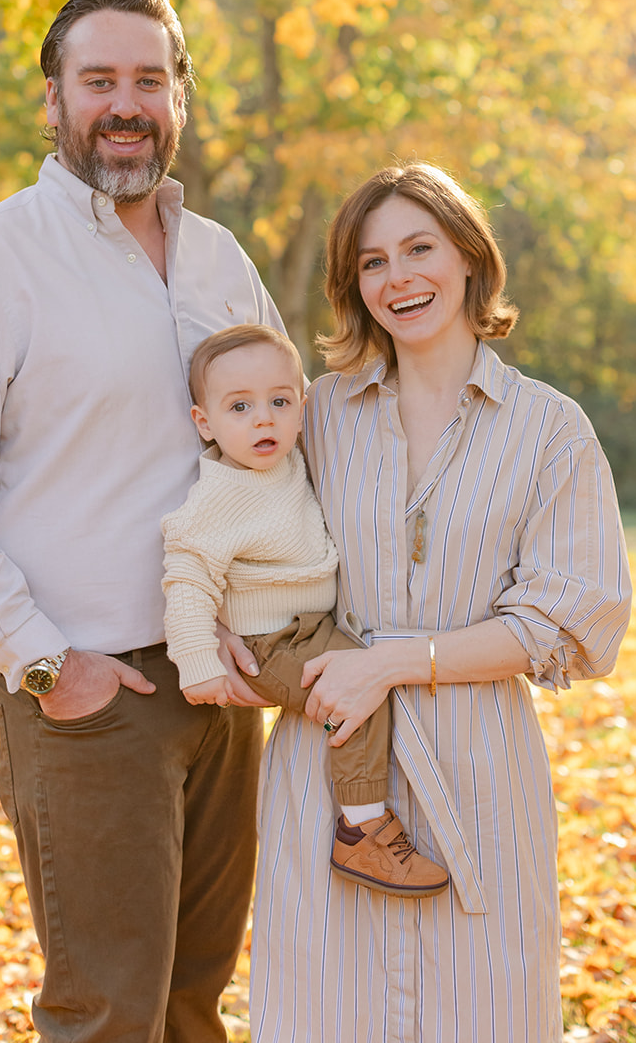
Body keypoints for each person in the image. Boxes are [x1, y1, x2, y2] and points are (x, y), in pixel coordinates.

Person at [0, 0, 281, 1043]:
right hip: (90, 696)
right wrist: (50, 665)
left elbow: (282, 447)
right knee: (108, 1014)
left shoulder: (219, 260)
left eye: (148, 79)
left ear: (179, 98)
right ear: (52, 102)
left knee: (195, 1006)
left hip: (224, 689)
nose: (124, 103)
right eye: (97, 79)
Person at [248, 163, 632, 1043]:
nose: (399, 278)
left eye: (419, 248)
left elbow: (571, 621)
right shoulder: (315, 415)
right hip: (330, 761)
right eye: (373, 263)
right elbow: (243, 541)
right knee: (321, 1012)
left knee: (484, 1009)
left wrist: (395, 660)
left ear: (468, 256)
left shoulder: (548, 428)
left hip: (478, 762)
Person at [161, 323, 448, 896]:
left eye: (279, 402)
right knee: (357, 692)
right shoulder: (217, 496)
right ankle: (361, 827)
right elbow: (187, 576)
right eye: (239, 406)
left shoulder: (289, 462)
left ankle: (364, 818)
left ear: (302, 409)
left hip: (310, 629)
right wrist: (198, 662)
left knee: (362, 676)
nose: (263, 419)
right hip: (271, 645)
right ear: (204, 423)